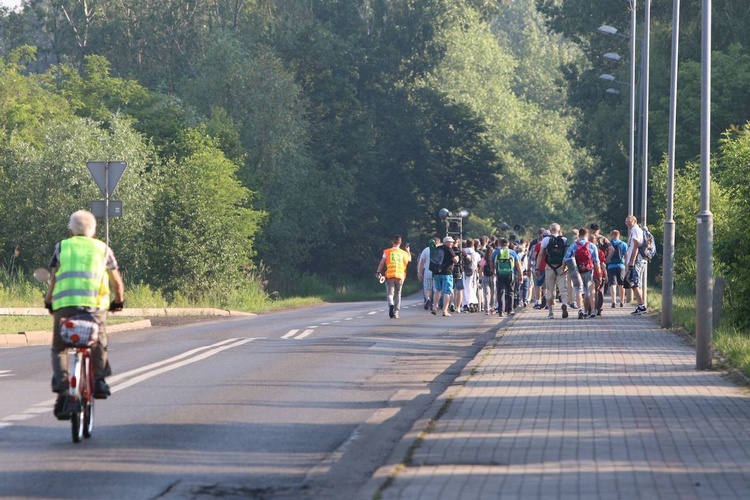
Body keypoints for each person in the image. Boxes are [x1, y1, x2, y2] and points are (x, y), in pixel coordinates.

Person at [45, 210, 125, 420]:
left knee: (59, 347)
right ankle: (98, 380)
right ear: (94, 230)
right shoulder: (102, 248)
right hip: (94, 307)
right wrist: (119, 301)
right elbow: (116, 281)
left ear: (71, 230)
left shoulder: (62, 246)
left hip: (65, 306)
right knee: (98, 339)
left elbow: (53, 278)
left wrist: (49, 301)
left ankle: (63, 390)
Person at [565, 227, 600, 319]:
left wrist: (564, 269)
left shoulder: (573, 245)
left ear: (578, 235)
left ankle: (580, 309)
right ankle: (592, 310)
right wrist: (599, 274)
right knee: (590, 291)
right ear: (587, 234)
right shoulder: (592, 246)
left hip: (577, 271)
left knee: (578, 290)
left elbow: (566, 259)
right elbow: (596, 262)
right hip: (589, 271)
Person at [538, 223, 569, 319]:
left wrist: (537, 267)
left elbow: (540, 254)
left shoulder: (545, 240)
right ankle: (564, 304)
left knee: (549, 289)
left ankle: (550, 313)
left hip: (549, 267)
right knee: (563, 288)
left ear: (550, 231)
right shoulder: (564, 240)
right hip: (561, 267)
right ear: (559, 231)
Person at [376, 234, 411, 319]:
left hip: (390, 275)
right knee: (398, 293)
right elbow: (409, 259)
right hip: (400, 275)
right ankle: (396, 312)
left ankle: (391, 304)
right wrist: (408, 251)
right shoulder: (403, 253)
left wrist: (378, 272)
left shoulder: (387, 252)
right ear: (400, 242)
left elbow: (382, 263)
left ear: (392, 242)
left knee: (390, 294)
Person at [491, 238, 523, 317]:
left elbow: (491, 263)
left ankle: (501, 311)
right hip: (510, 274)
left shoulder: (496, 252)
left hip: (500, 274)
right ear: (508, 244)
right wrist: (520, 275)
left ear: (500, 244)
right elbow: (518, 265)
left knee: (500, 292)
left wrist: (494, 272)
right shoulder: (512, 252)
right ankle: (510, 310)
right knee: (510, 292)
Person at [625, 215, 647, 315]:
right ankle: (640, 305)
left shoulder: (635, 230)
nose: (627, 223)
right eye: (626, 222)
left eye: (629, 221)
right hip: (637, 260)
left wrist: (632, 261)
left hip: (636, 261)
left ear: (635, 221)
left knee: (634, 283)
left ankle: (641, 305)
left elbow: (636, 246)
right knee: (636, 283)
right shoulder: (635, 230)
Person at [432, 236, 459, 316]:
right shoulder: (449, 249)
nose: (451, 243)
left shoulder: (438, 248)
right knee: (447, 292)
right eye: (450, 242)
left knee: (437, 290)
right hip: (447, 272)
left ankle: (434, 307)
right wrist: (457, 257)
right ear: (446, 242)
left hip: (437, 272)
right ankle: (445, 310)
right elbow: (455, 260)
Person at [417, 237, 440, 310]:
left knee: (427, 288)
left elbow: (422, 262)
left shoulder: (426, 250)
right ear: (438, 243)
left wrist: (420, 272)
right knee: (436, 289)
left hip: (427, 272)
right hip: (437, 272)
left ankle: (428, 299)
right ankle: (435, 304)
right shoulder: (439, 250)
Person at [607, 229, 628, 308]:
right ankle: (622, 301)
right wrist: (626, 266)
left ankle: (614, 301)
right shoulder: (623, 244)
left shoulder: (608, 244)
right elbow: (626, 255)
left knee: (612, 284)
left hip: (611, 266)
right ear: (618, 235)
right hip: (621, 266)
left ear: (612, 235)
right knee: (621, 284)